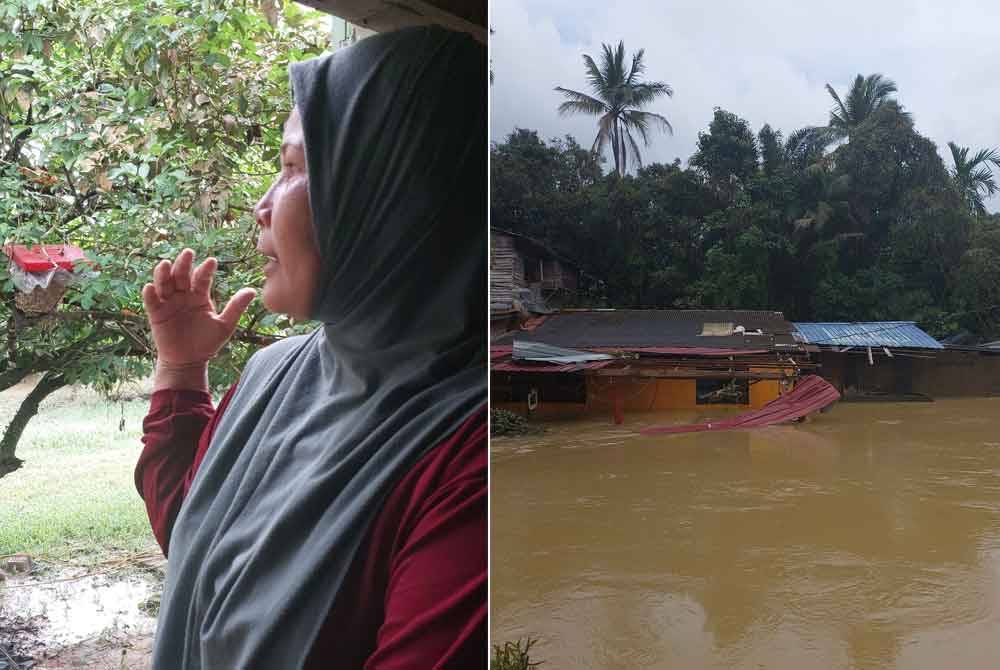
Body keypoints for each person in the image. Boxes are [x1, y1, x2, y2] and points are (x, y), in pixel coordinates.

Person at [134, 25, 486, 669]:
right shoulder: (273, 376)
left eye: (294, 167)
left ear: (393, 196)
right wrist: (180, 370)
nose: (262, 205)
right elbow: (204, 550)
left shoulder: (471, 464)